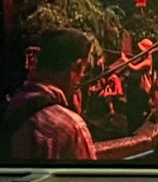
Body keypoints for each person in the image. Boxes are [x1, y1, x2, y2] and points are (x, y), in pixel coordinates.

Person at [6, 28, 97, 161]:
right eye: (82, 70)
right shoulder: (72, 128)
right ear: (76, 67)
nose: (81, 76)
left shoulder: (7, 110)